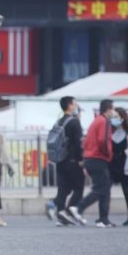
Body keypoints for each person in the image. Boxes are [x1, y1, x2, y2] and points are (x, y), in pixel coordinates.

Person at [69, 99, 115, 228]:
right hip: (98, 158)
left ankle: (103, 219)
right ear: (108, 109)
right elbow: (103, 140)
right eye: (113, 109)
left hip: (90, 158)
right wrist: (108, 154)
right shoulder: (104, 121)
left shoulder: (96, 121)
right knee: (101, 188)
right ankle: (79, 208)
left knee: (104, 189)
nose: (113, 112)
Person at [46, 96, 84, 226]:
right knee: (79, 187)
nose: (76, 106)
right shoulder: (74, 122)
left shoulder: (59, 122)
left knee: (62, 189)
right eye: (75, 104)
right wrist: (80, 159)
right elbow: (78, 143)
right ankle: (69, 210)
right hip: (72, 160)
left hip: (59, 160)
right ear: (70, 106)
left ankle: (60, 214)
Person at [109, 107, 128, 226]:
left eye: (116, 117)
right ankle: (104, 217)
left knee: (127, 192)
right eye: (112, 117)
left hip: (125, 164)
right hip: (112, 165)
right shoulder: (110, 131)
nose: (114, 119)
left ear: (122, 117)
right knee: (105, 190)